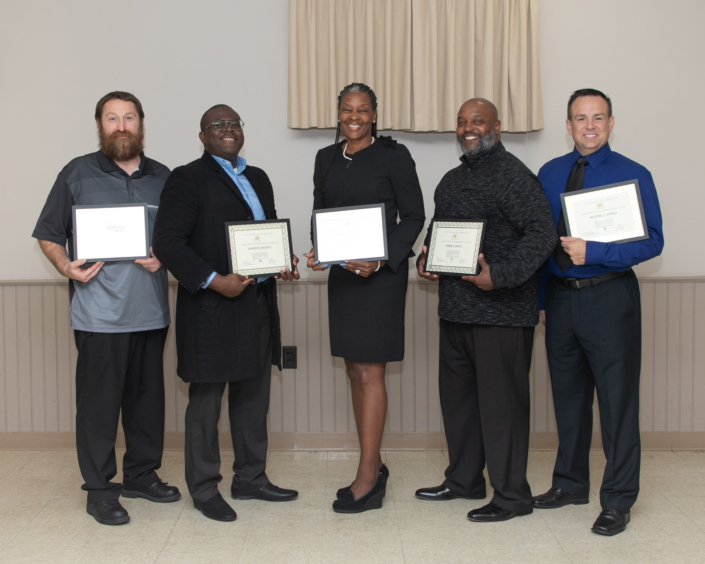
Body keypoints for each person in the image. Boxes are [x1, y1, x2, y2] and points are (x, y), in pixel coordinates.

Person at [32, 91, 179, 526]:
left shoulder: (164, 177)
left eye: (128, 117)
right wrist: (67, 268)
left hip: (151, 312)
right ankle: (99, 489)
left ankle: (141, 475)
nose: (121, 126)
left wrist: (164, 256)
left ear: (141, 123)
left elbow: (177, 237)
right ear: (100, 125)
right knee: (98, 408)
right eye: (112, 118)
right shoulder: (77, 173)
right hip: (98, 315)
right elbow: (47, 232)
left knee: (146, 403)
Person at [152, 104, 300, 522]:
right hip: (211, 310)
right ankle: (202, 488)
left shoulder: (258, 178)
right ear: (202, 136)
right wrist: (215, 279)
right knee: (205, 404)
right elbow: (167, 243)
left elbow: (264, 234)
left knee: (254, 399)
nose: (228, 129)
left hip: (256, 306)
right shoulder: (187, 179)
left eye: (234, 123)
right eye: (218, 124)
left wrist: (281, 261)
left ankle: (251, 478)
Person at [415, 98, 557, 522]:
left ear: (498, 125)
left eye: (477, 120)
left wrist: (503, 274)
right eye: (461, 122)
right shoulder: (451, 180)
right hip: (456, 311)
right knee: (458, 405)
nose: (468, 128)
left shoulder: (513, 176)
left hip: (503, 313)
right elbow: (438, 232)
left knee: (502, 410)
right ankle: (464, 480)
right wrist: (427, 258)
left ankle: (512, 496)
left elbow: (543, 233)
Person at [532, 89, 664, 536]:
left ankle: (618, 500)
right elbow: (540, 245)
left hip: (610, 299)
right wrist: (543, 303)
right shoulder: (549, 174)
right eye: (580, 118)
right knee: (568, 401)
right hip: (561, 301)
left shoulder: (633, 174)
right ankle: (569, 484)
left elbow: (653, 241)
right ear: (567, 126)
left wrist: (598, 251)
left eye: (598, 117)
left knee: (617, 404)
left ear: (611, 123)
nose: (589, 125)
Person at [305, 83, 425, 513]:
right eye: (346, 110)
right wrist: (320, 250)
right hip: (344, 279)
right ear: (338, 115)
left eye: (362, 110)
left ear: (374, 114)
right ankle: (372, 463)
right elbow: (321, 212)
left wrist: (382, 260)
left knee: (371, 371)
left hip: (380, 278)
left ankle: (368, 476)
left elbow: (413, 215)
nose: (353, 117)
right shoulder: (324, 158)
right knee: (354, 370)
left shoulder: (395, 155)